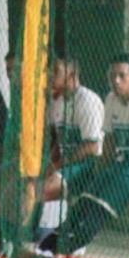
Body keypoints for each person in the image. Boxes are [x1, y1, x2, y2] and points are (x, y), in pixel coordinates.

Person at [45, 52, 129, 255]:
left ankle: (59, 252)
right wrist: (100, 173)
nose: (116, 81)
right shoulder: (111, 98)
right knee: (84, 203)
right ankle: (48, 248)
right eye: (112, 76)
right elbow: (109, 143)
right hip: (120, 167)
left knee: (96, 212)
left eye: (122, 76)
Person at [40, 56, 105, 206]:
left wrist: (58, 165)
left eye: (56, 72)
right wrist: (48, 164)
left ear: (72, 74)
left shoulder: (88, 101)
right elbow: (55, 140)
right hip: (65, 164)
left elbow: (91, 147)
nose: (50, 76)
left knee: (41, 190)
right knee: (25, 185)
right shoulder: (56, 102)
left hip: (87, 165)